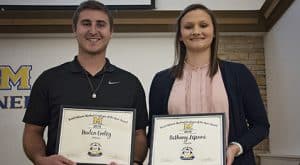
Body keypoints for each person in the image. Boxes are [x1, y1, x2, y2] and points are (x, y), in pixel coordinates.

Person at [22, 1, 148, 165]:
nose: (93, 30)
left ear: (111, 31)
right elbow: (33, 131)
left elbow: (139, 135)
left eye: (101, 24)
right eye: (86, 24)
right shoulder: (49, 79)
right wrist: (40, 159)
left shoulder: (131, 83)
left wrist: (136, 162)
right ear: (74, 29)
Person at [147, 4, 270, 165]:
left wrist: (235, 147)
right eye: (188, 27)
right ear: (180, 35)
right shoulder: (161, 80)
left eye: (203, 25)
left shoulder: (239, 74)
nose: (196, 31)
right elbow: (154, 134)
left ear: (214, 33)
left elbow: (261, 126)